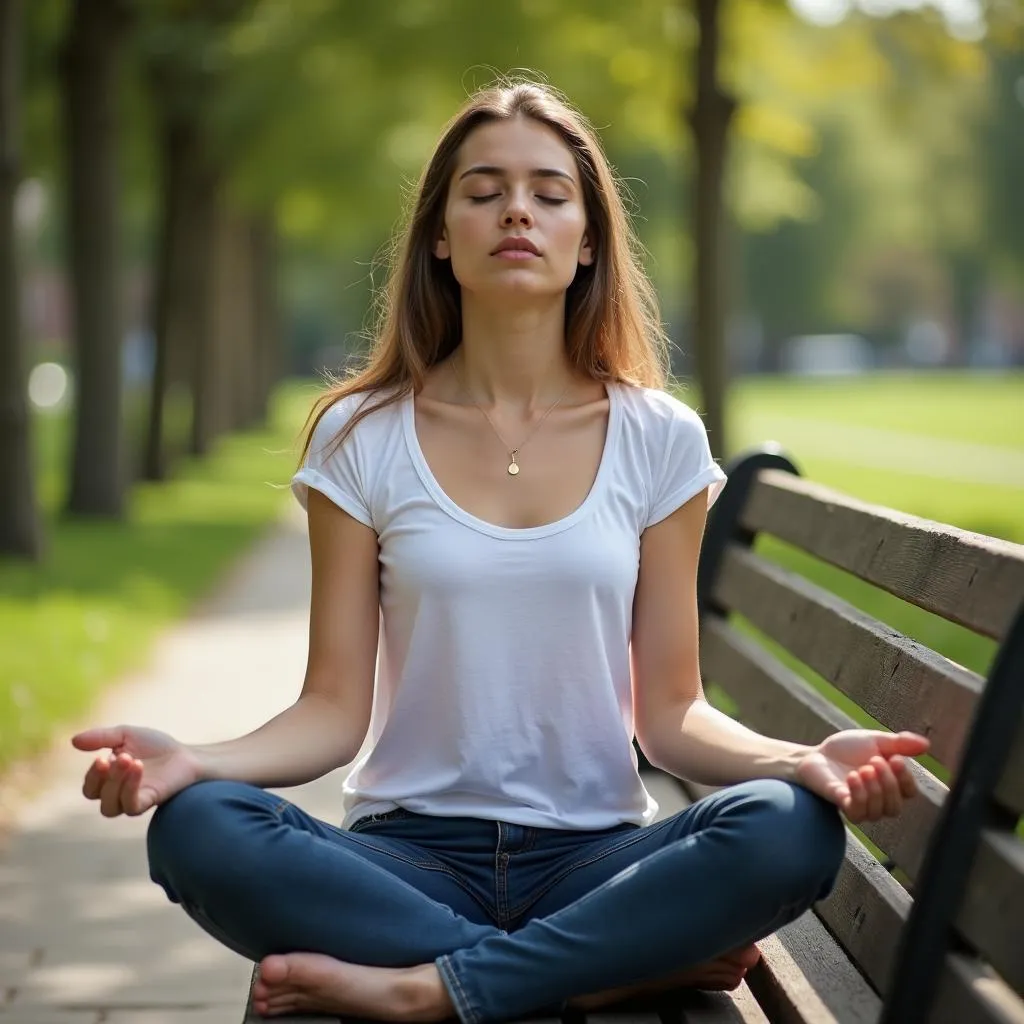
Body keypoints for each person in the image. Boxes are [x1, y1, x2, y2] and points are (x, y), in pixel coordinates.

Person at [72, 81, 928, 1024]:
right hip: (407, 860)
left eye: (550, 193)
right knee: (196, 828)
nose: (516, 208)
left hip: (597, 859)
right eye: (483, 191)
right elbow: (328, 712)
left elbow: (674, 717)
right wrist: (195, 759)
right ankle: (607, 974)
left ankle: (429, 991)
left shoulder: (661, 440)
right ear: (441, 235)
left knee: (789, 829)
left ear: (588, 239)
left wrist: (798, 759)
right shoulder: (361, 436)